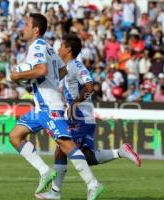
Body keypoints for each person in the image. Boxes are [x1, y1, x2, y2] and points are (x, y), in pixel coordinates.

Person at [10, 13, 103, 200]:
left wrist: (17, 76)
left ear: (35, 30)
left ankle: (93, 184)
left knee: (66, 145)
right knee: (15, 136)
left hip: (49, 106)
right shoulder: (50, 48)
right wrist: (40, 83)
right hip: (40, 108)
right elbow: (61, 70)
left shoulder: (36, 45)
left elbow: (42, 70)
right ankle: (45, 171)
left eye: (26, 24)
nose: (23, 27)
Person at [36, 34, 141, 200]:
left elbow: (90, 86)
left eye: (61, 46)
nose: (58, 49)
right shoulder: (66, 67)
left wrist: (75, 103)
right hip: (83, 117)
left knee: (61, 149)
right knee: (87, 157)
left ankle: (59, 192)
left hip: (80, 116)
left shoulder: (76, 66)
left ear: (69, 49)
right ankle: (120, 151)